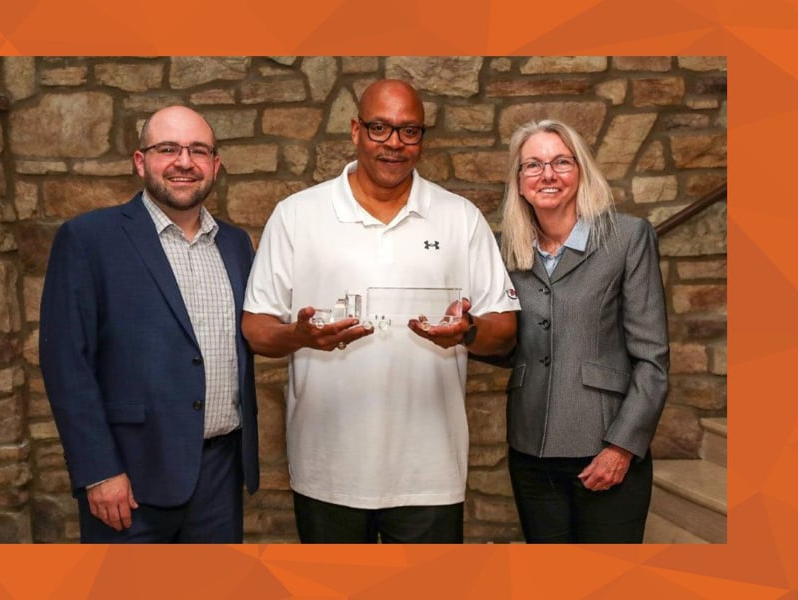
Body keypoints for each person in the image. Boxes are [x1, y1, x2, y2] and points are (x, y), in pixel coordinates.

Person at [242, 79, 519, 544]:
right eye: (380, 128)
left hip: (429, 471)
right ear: (355, 131)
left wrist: (466, 332)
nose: (394, 143)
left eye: (409, 131)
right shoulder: (297, 215)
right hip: (327, 468)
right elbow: (256, 328)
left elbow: (506, 329)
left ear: (422, 139)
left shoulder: (459, 218)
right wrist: (301, 337)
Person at [39, 106, 259, 543]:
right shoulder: (88, 240)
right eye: (167, 149)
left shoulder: (236, 244)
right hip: (130, 480)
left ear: (216, 165)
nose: (184, 161)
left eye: (198, 150)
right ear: (140, 161)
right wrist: (99, 471)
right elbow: (67, 364)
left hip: (220, 474)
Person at [499, 119, 669, 543]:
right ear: (519, 183)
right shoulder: (507, 249)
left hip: (604, 446)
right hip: (530, 448)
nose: (548, 175)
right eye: (533, 165)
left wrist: (623, 446)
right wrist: (465, 331)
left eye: (561, 162)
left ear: (581, 172)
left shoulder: (628, 237)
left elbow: (652, 359)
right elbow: (509, 345)